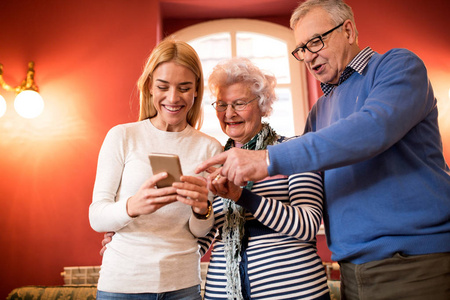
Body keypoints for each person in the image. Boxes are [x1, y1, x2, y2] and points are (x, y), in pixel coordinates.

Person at [196, 1, 450, 299]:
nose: (308, 56)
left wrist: (266, 160)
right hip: (354, 268)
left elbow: (372, 129)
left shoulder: (397, 66)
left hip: (412, 260)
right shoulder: (319, 111)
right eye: (301, 49)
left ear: (348, 30)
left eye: (316, 41)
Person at [89, 38, 223, 300]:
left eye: (184, 88)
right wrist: (133, 206)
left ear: (196, 90)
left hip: (182, 284)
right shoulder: (122, 136)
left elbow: (200, 232)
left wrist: (201, 208)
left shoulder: (210, 149)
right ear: (150, 86)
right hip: (123, 284)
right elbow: (97, 216)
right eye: (163, 86)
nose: (173, 98)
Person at [199, 57, 330, 300]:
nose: (229, 114)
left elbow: (308, 225)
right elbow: (203, 240)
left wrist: (241, 196)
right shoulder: (214, 162)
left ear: (262, 104)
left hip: (293, 292)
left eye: (239, 103)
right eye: (221, 104)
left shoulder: (294, 150)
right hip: (222, 293)